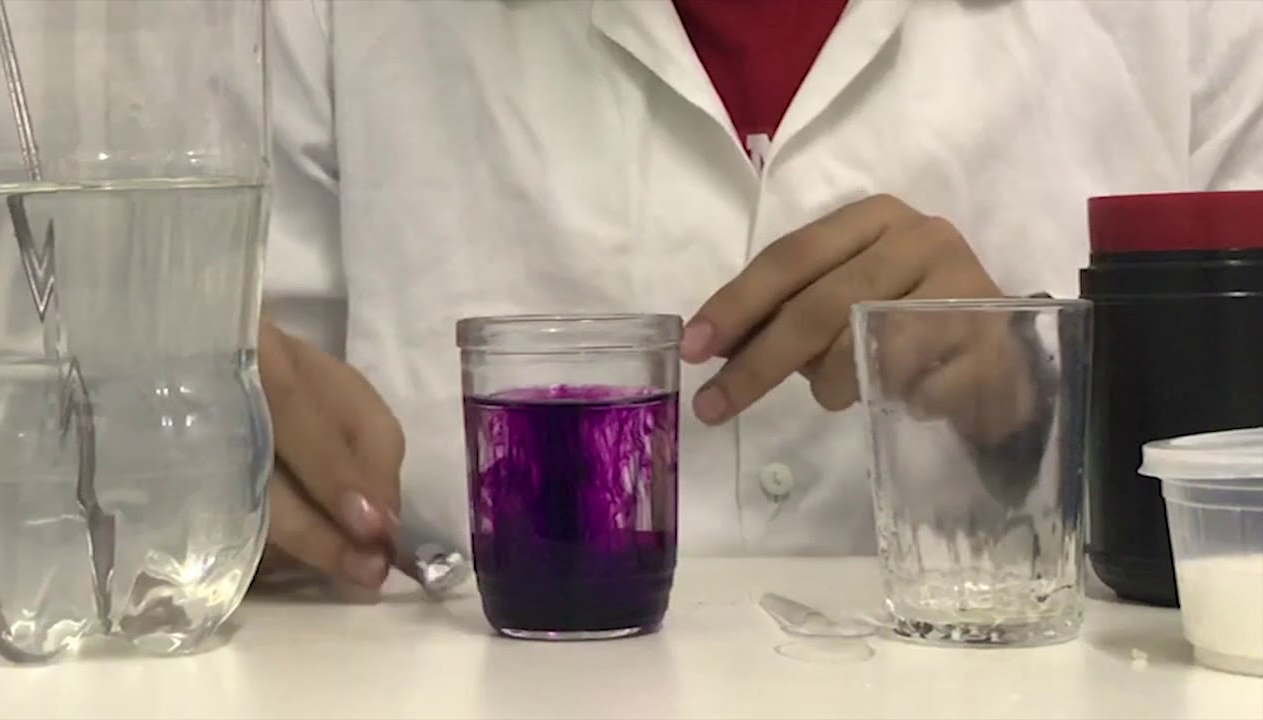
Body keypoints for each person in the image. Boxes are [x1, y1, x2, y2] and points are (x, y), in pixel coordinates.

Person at [252, 0, 1263, 596]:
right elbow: (249, 477)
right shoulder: (328, 25)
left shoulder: (1193, 27)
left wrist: (1034, 403)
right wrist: (229, 488)